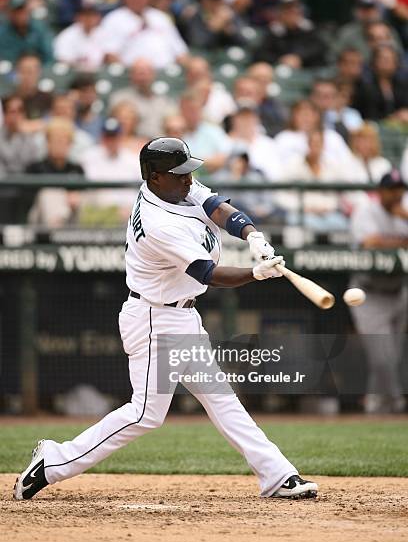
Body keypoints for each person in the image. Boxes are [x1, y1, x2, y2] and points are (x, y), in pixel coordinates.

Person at [13, 136, 318, 501]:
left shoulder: (175, 188)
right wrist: (256, 273)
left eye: (189, 173)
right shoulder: (160, 223)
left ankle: (277, 475)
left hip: (182, 315)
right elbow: (209, 272)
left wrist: (253, 235)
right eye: (179, 175)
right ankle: (52, 462)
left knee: (221, 398)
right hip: (155, 318)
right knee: (145, 415)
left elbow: (217, 206)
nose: (188, 180)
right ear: (155, 177)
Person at [349, 169, 408, 414]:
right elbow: (369, 242)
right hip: (368, 293)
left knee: (393, 357)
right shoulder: (367, 210)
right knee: (382, 358)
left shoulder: (403, 213)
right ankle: (395, 402)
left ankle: (376, 403)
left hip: (398, 291)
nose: (396, 195)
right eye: (391, 190)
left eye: (400, 190)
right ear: (381, 191)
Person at [101, 0, 189, 68]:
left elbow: (181, 52)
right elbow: (110, 55)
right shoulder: (114, 19)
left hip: (168, 73)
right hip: (131, 75)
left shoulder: (160, 17)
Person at [253, 0, 327, 69]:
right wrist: (282, 59)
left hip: (308, 69)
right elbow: (260, 54)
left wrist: (298, 57)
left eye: (295, 7)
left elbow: (320, 48)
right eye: (287, 9)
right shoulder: (272, 31)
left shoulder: (309, 29)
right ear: (280, 12)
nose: (292, 11)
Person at [109, 58, 176, 140]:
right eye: (139, 73)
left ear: (153, 74)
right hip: (130, 145)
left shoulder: (164, 101)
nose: (142, 78)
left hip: (160, 145)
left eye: (145, 73)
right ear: (131, 75)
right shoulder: (120, 98)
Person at [54, 0, 109, 71]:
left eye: (92, 15)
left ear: (99, 17)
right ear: (77, 17)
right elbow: (62, 60)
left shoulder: (105, 33)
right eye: (85, 15)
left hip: (100, 72)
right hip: (74, 75)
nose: (89, 19)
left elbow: (110, 55)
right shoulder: (67, 35)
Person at [0, 0, 53, 64]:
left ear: (28, 10)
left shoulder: (40, 27)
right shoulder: (2, 32)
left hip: (39, 71)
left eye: (23, 11)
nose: (20, 15)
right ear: (9, 13)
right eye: (16, 12)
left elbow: (48, 56)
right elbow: (5, 60)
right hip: (14, 72)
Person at [13, 53, 53, 120]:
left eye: (31, 71)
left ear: (39, 72)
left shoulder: (48, 99)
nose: (27, 76)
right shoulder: (8, 99)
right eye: (23, 71)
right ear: (17, 72)